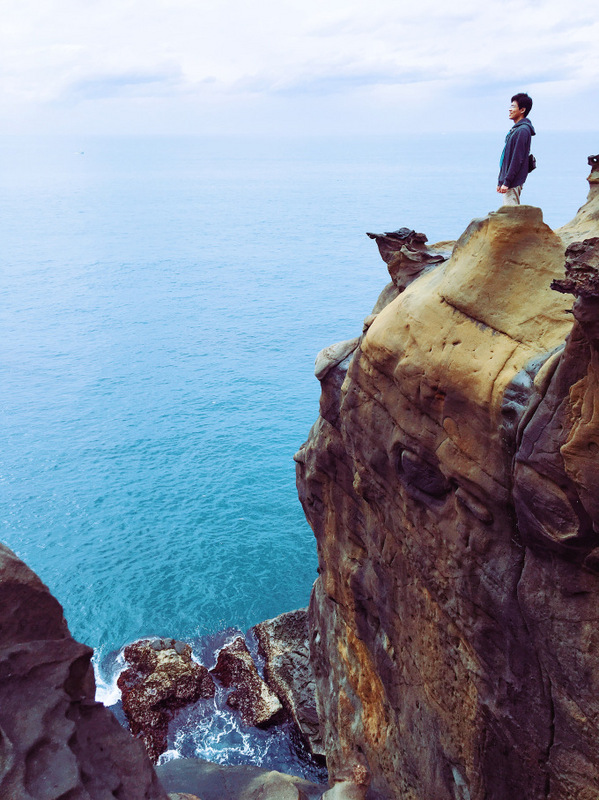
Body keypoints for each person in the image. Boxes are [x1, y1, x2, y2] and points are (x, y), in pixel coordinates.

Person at [497, 93, 535, 206]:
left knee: (511, 216)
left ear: (522, 110)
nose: (510, 109)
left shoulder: (522, 131)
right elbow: (506, 158)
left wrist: (507, 182)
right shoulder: (516, 130)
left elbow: (517, 159)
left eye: (513, 106)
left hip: (513, 182)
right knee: (511, 214)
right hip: (509, 181)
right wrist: (501, 181)